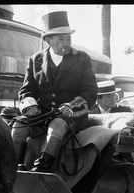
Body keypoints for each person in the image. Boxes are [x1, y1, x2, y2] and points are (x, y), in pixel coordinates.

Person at [11, 11, 97, 172]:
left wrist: (72, 106)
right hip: (41, 115)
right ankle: (13, 168)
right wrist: (30, 105)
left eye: (68, 38)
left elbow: (90, 91)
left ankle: (41, 169)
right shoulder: (36, 59)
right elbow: (26, 90)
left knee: (57, 125)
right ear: (48, 40)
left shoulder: (82, 58)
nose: (66, 43)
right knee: (19, 125)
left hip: (71, 117)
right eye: (61, 39)